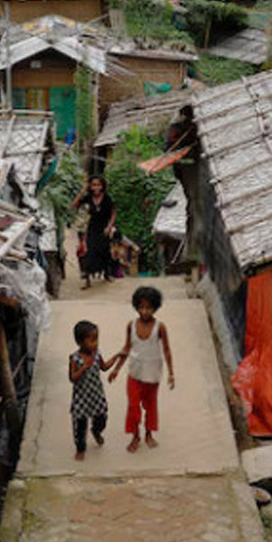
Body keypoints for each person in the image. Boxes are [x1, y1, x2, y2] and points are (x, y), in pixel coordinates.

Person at [107, 286, 174, 453]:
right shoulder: (131, 325)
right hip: (134, 373)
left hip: (152, 375)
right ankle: (135, 435)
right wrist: (116, 369)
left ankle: (149, 434)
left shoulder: (160, 327)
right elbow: (126, 348)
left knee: (151, 406)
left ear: (155, 308)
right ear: (136, 306)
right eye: (141, 307)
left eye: (148, 308)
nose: (144, 311)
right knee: (133, 407)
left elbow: (166, 350)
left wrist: (171, 373)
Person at [68, 320, 120, 461]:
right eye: (91, 340)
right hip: (81, 397)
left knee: (102, 418)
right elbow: (72, 378)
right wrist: (84, 367)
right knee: (80, 425)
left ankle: (96, 431)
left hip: (96, 394)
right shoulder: (74, 358)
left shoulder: (96, 354)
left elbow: (103, 366)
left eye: (96, 339)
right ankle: (80, 448)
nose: (95, 343)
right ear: (80, 342)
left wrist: (115, 357)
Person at [71, 175, 117, 289]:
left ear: (102, 186)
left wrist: (109, 226)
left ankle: (107, 274)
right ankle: (87, 279)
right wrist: (82, 191)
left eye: (98, 185)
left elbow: (113, 213)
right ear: (90, 186)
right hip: (90, 228)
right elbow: (74, 205)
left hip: (104, 228)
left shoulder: (107, 198)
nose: (96, 187)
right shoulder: (87, 198)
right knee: (89, 252)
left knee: (104, 251)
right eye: (93, 185)